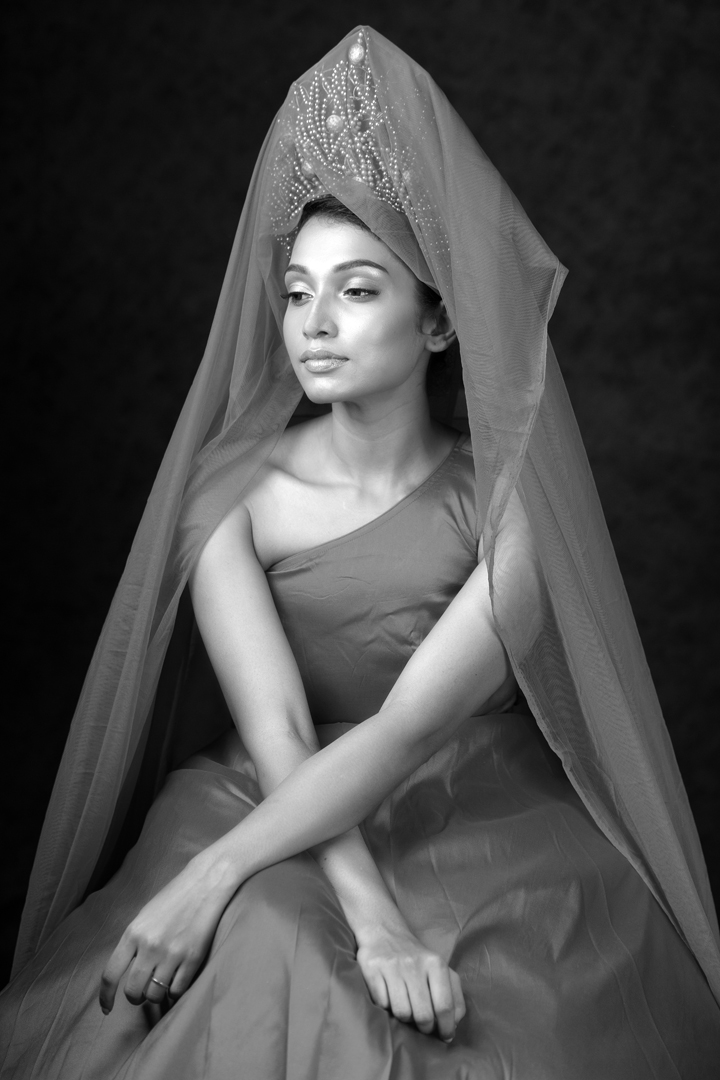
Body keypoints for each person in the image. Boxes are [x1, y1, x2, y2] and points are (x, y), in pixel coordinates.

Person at [1, 25, 719, 1080]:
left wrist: (225, 884)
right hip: (270, 792)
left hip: (468, 805)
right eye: (298, 291)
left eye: (359, 289)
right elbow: (281, 728)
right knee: (269, 945)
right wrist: (356, 913)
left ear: (439, 323)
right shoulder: (232, 494)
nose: (314, 323)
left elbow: (407, 728)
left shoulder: (513, 508)